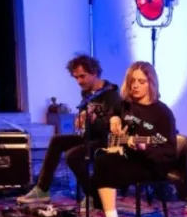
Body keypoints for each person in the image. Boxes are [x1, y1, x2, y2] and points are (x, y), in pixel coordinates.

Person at [17, 55, 121, 204]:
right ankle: (42, 189)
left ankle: (94, 196)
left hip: (105, 141)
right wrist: (80, 118)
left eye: (82, 76)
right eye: (76, 77)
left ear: (94, 72)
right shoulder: (86, 93)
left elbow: (111, 125)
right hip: (89, 137)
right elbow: (85, 113)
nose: (79, 81)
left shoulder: (111, 94)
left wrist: (92, 119)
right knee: (57, 140)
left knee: (73, 155)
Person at [92, 61, 177, 217]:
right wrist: (114, 118)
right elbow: (114, 110)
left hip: (151, 164)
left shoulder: (163, 113)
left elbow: (169, 151)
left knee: (104, 167)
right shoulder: (126, 104)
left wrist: (145, 147)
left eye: (141, 81)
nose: (135, 85)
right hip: (130, 157)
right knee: (99, 160)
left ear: (151, 83)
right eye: (132, 81)